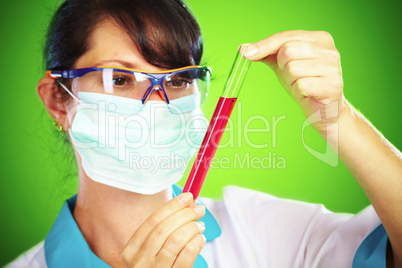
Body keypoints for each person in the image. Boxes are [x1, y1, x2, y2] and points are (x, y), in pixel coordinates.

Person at [7, 0, 402, 267]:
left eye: (179, 80)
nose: (158, 104)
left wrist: (339, 116)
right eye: (121, 79)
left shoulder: (265, 231)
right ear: (59, 101)